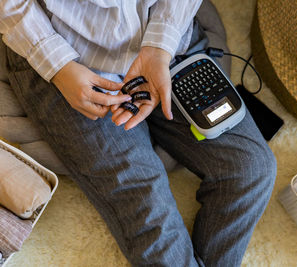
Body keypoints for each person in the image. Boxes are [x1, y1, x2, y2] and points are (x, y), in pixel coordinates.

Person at [0, 0, 277, 266]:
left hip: (169, 40)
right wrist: (57, 65)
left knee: (252, 167)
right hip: (69, 59)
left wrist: (159, 47)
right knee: (150, 216)